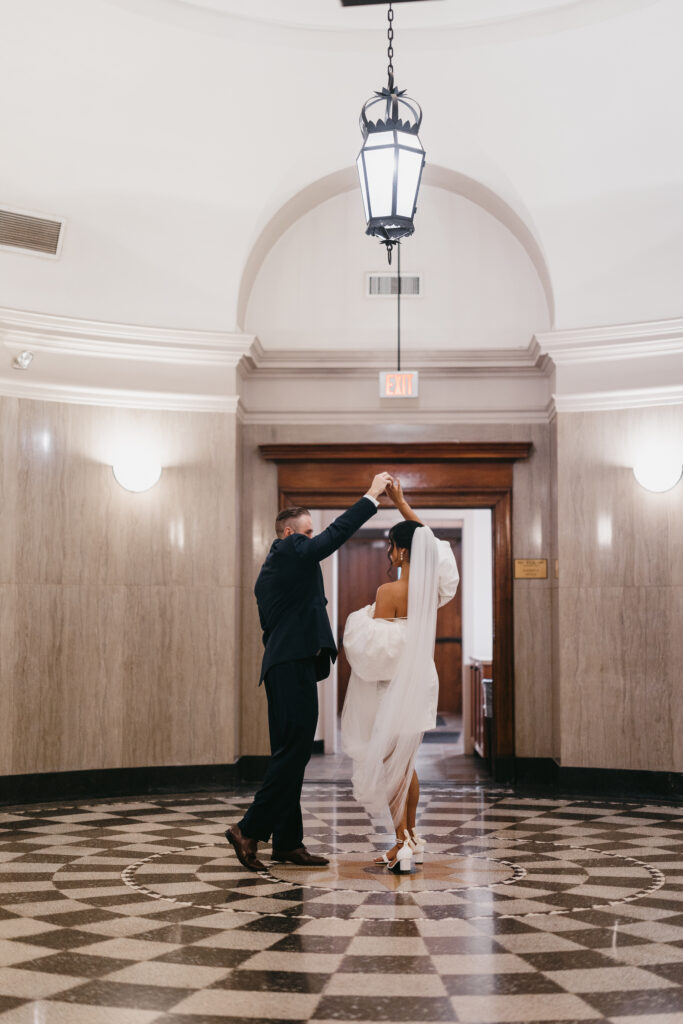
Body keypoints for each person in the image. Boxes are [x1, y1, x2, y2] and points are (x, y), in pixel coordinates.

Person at [226, 472, 392, 872]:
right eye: (306, 532)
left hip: (287, 664)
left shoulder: (280, 565)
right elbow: (331, 537)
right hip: (290, 665)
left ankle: (287, 842)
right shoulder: (288, 551)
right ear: (288, 534)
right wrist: (370, 496)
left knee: (291, 754)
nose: (311, 538)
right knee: (295, 751)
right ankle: (248, 830)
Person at [341, 479, 459, 871]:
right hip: (422, 682)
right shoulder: (433, 590)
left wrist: (361, 618)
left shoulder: (388, 592)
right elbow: (436, 550)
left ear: (402, 550)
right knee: (407, 764)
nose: (388, 552)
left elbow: (378, 651)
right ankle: (411, 836)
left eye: (391, 545)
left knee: (394, 765)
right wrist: (404, 505)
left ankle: (401, 843)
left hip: (394, 687)